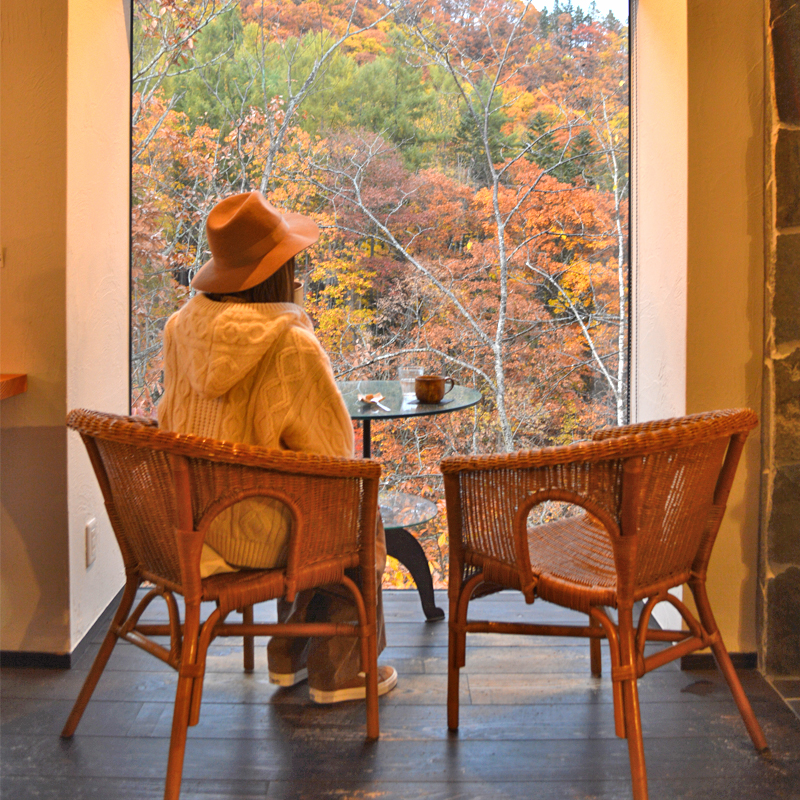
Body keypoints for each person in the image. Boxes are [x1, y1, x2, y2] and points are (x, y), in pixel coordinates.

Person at [157, 190, 397, 703]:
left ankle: (288, 654)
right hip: (257, 536)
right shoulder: (291, 345)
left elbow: (165, 423)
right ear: (279, 271)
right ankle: (341, 668)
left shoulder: (179, 331)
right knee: (356, 509)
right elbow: (336, 458)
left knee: (314, 501)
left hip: (192, 522)